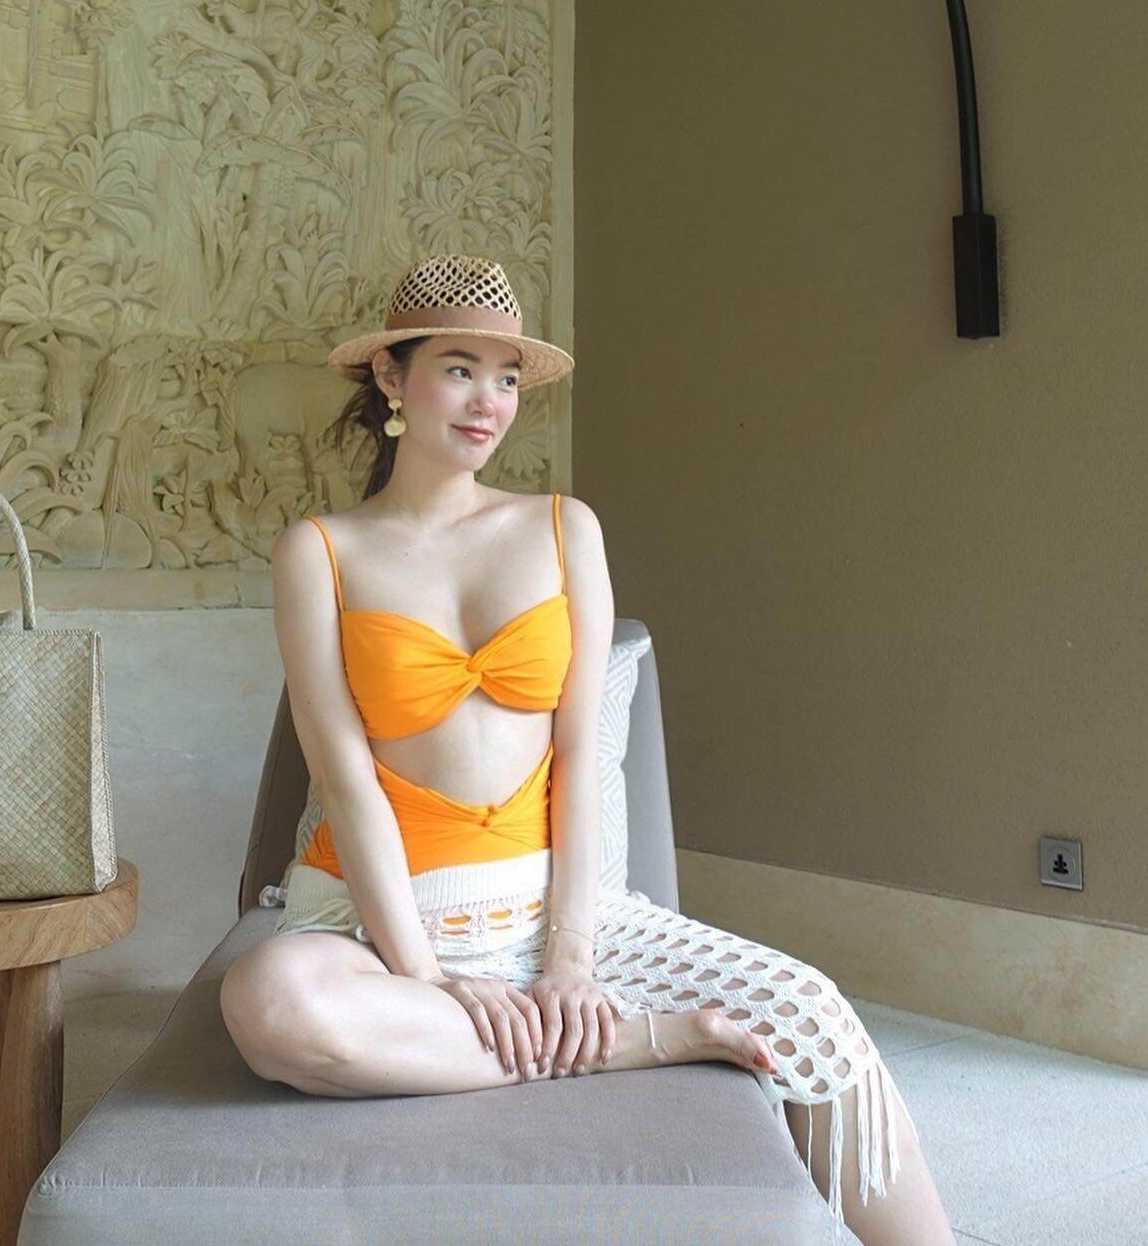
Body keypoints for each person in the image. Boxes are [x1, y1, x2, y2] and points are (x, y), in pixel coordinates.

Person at [220, 255, 957, 1245]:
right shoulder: (319, 550)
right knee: (270, 1005)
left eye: (506, 378)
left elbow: (574, 756)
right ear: (392, 377)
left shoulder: (564, 529)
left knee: (805, 1010)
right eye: (458, 369)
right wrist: (425, 977)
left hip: (556, 912)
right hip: (375, 919)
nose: (488, 401)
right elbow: (344, 780)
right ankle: (643, 1042)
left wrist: (568, 957)